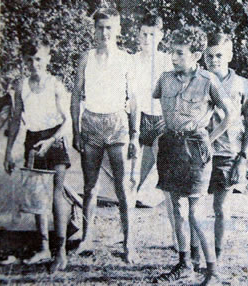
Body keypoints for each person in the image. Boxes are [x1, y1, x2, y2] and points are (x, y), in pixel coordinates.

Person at [152, 26, 234, 285]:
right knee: (175, 207)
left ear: (196, 54)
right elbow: (159, 106)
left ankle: (213, 271)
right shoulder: (165, 78)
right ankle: (184, 263)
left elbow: (230, 114)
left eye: (179, 53)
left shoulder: (209, 80)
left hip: (195, 148)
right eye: (171, 53)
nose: (173, 58)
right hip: (170, 146)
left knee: (195, 213)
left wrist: (209, 138)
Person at [71, 8, 138, 263]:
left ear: (118, 29)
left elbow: (133, 100)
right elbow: (76, 94)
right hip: (91, 124)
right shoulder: (86, 58)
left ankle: (129, 244)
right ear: (94, 30)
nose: (104, 33)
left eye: (109, 27)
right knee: (90, 187)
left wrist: (134, 134)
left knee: (122, 187)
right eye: (100, 27)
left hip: (117, 124)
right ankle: (86, 238)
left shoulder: (126, 59)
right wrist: (76, 131)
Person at [4, 39, 72, 272]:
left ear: (48, 59)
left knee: (56, 194)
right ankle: (43, 248)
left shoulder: (55, 84)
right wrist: (8, 151)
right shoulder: (21, 86)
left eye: (39, 59)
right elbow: (15, 121)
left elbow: (67, 121)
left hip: (55, 139)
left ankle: (61, 252)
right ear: (24, 61)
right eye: (30, 59)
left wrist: (51, 141)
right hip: (33, 139)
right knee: (36, 195)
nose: (34, 64)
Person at [204, 32, 248, 263]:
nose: (214, 60)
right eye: (209, 56)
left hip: (227, 154)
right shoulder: (199, 80)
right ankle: (195, 254)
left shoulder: (242, 85)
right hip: (200, 152)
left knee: (220, 207)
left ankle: (217, 253)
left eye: (219, 55)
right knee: (194, 206)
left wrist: (243, 158)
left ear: (229, 56)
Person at [130, 13, 178, 250]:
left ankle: (176, 236)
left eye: (152, 35)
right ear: (138, 35)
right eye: (143, 34)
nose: (147, 39)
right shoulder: (132, 60)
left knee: (167, 183)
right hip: (137, 120)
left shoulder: (167, 61)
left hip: (161, 121)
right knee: (131, 178)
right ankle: (129, 239)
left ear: (160, 36)